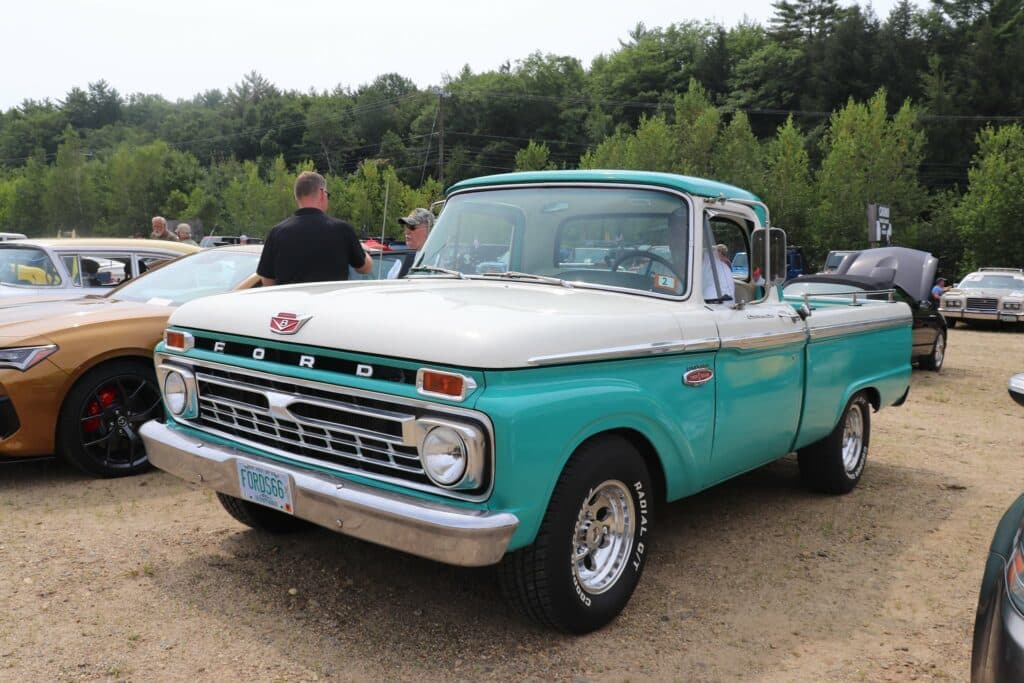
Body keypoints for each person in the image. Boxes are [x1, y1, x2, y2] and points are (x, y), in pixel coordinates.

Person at [257, 171, 371, 286]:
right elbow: (365, 268)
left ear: (296, 197)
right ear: (322, 193)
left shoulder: (276, 232)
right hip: (330, 302)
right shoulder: (342, 229)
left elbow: (267, 280)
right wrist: (360, 248)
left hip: (292, 303)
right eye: (328, 194)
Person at [388, 208, 434, 278]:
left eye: (412, 227)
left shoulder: (440, 260)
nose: (406, 232)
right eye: (406, 227)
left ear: (428, 229)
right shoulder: (403, 260)